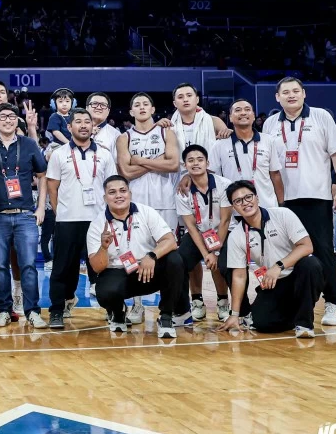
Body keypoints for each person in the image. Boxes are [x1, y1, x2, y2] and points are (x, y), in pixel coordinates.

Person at [261, 77, 336, 328]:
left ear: (304, 94)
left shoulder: (321, 117)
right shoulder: (269, 124)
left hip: (315, 197)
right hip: (281, 201)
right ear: (277, 97)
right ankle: (297, 302)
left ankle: (333, 303)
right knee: (287, 254)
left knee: (322, 252)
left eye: (295, 91)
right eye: (285, 92)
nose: (291, 95)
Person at [218, 180, 324, 339]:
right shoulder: (236, 236)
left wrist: (278, 266)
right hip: (274, 283)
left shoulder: (283, 214)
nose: (245, 203)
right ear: (234, 207)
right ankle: (293, 313)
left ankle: (304, 323)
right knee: (262, 323)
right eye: (238, 201)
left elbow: (306, 246)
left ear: (257, 198)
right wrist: (235, 314)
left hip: (298, 276)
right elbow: (239, 276)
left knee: (310, 264)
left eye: (248, 197)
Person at [86, 176, 185, 338]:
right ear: (105, 198)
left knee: (175, 260)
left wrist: (152, 255)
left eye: (122, 191)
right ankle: (118, 313)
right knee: (104, 292)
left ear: (130, 194)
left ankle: (166, 316)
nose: (118, 195)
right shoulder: (97, 224)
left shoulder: (146, 212)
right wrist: (104, 247)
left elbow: (170, 241)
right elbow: (97, 267)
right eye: (112, 192)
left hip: (148, 271)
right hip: (118, 273)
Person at [45, 108, 112, 329]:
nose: (83, 125)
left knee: (103, 267)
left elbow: (111, 187)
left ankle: (113, 307)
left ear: (93, 127)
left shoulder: (104, 154)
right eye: (78, 122)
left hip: (97, 222)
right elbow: (52, 187)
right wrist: (60, 213)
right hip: (67, 220)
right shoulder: (59, 154)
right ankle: (57, 309)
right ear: (70, 126)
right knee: (62, 268)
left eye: (87, 121)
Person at [117, 93, 180, 323]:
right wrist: (158, 160)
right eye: (136, 105)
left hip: (166, 202)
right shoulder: (124, 137)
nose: (141, 107)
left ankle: (168, 308)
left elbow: (173, 164)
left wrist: (139, 160)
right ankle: (137, 305)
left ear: (153, 109)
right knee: (135, 252)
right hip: (137, 203)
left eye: (145, 104)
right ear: (131, 112)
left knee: (167, 254)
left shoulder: (166, 132)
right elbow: (126, 172)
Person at [0, 103, 47, 328]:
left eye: (12, 116)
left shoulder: (29, 144)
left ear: (16, 119)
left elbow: (42, 176)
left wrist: (40, 208)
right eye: (3, 116)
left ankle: (32, 311)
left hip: (25, 216)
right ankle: (3, 310)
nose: (8, 120)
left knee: (29, 265)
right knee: (0, 266)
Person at [175, 145, 232, 321]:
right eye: (190, 160)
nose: (195, 163)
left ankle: (223, 302)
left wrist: (214, 252)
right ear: (185, 165)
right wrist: (205, 252)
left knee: (221, 263)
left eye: (200, 159)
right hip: (199, 233)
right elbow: (191, 227)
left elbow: (225, 221)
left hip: (224, 232)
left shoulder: (224, 185)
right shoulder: (181, 192)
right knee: (181, 260)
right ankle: (196, 301)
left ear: (207, 163)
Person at [210, 100, 285, 208]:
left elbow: (275, 174)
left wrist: (281, 204)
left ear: (253, 116)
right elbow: (214, 178)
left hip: (266, 206)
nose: (243, 113)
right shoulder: (219, 144)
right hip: (234, 209)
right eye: (238, 110)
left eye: (247, 109)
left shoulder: (268, 140)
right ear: (230, 117)